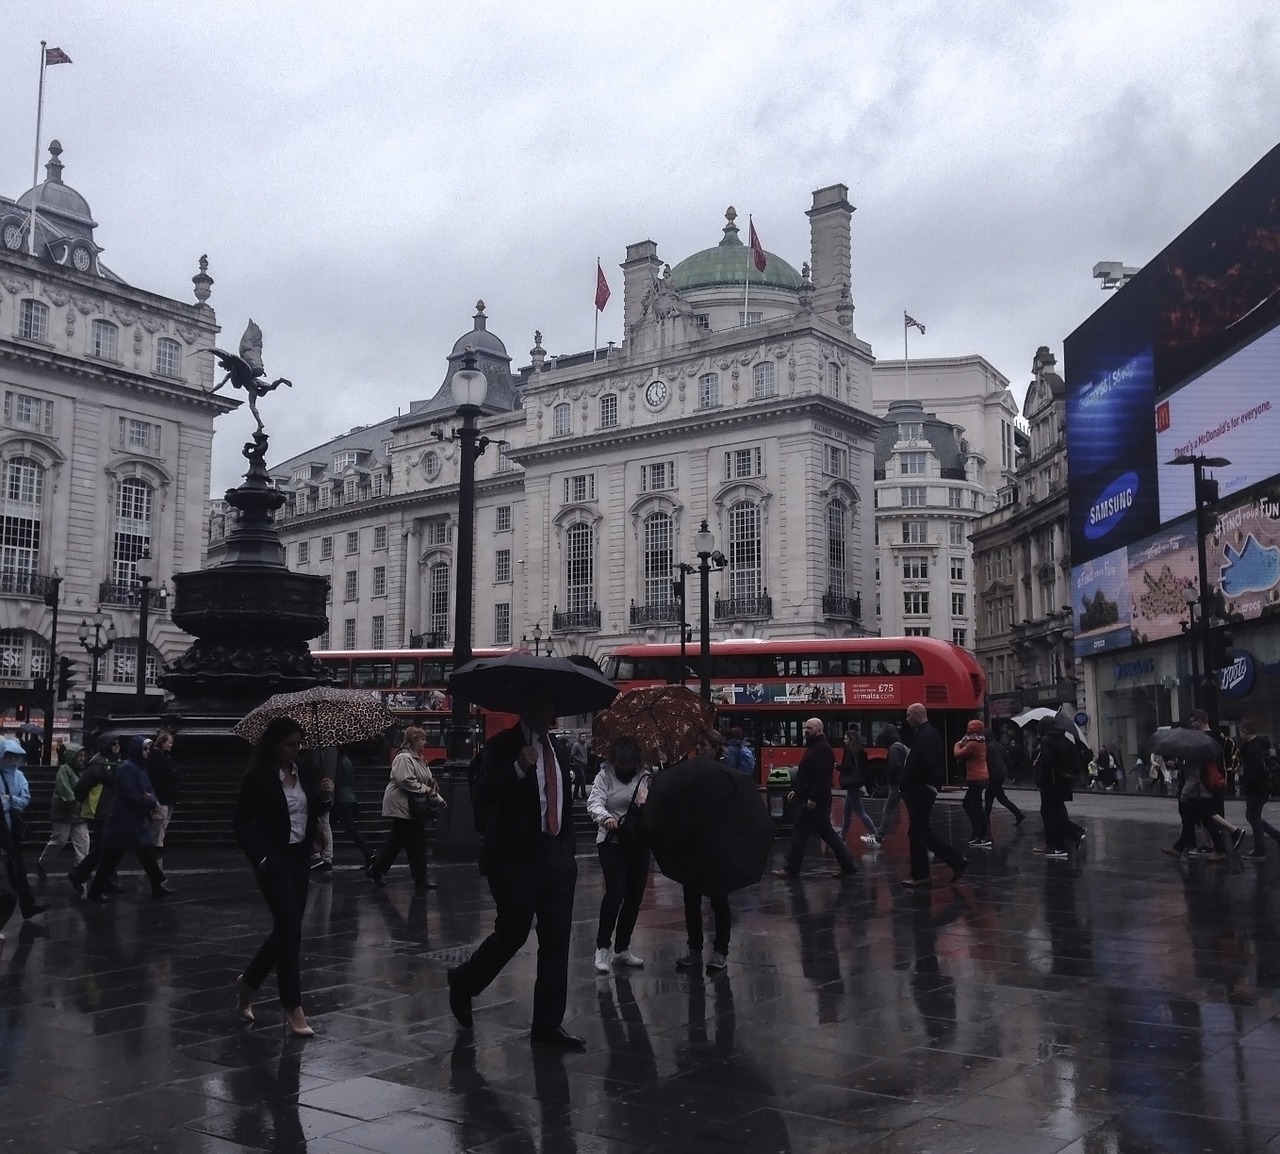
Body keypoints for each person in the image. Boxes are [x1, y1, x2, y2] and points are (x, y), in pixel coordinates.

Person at [446, 689, 583, 1048]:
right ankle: (464, 980)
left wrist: (567, 850)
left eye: (551, 703)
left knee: (556, 942)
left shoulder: (559, 749)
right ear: (527, 708)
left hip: (555, 856)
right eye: (541, 703)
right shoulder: (502, 746)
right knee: (512, 933)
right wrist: (519, 768)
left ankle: (548, 1026)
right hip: (515, 858)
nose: (548, 709)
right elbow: (484, 794)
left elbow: (563, 803)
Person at [233, 717, 330, 1036]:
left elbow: (309, 810)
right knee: (290, 928)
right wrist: (259, 857)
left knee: (287, 928)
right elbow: (241, 823)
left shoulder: (305, 773)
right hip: (273, 861)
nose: (296, 749)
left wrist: (324, 797)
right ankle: (292, 1007)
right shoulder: (258, 777)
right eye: (290, 744)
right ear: (274, 745)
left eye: (299, 743)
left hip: (299, 858)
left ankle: (248, 982)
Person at [587, 735, 651, 973]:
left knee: (634, 896)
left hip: (638, 842)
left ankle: (622, 947)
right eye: (622, 764)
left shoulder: (644, 777)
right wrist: (606, 818)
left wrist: (647, 802)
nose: (626, 768)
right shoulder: (604, 777)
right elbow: (594, 803)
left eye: (630, 764)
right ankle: (602, 947)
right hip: (612, 841)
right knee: (616, 892)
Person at [85, 736, 172, 902]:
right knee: (112, 858)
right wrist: (148, 800)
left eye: (148, 749)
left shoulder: (139, 768)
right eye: (144, 749)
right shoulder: (128, 768)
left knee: (145, 855)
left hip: (133, 821)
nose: (147, 752)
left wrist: (150, 799)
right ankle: (95, 890)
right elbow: (131, 793)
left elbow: (148, 791)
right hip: (124, 822)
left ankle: (157, 886)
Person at [774, 718, 859, 879]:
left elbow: (822, 777)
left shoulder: (821, 749)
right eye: (806, 727)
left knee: (802, 832)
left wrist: (813, 798)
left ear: (819, 730)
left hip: (814, 801)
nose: (806, 730)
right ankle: (848, 865)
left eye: (810, 728)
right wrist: (797, 791)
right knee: (825, 833)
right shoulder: (816, 747)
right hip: (810, 798)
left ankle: (791, 868)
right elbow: (808, 774)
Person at [678, 727, 733, 974]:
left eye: (704, 745)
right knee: (691, 901)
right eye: (697, 744)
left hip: (717, 845)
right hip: (692, 844)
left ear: (716, 749)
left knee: (719, 900)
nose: (699, 748)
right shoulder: (688, 773)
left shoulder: (726, 775)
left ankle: (720, 949)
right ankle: (694, 948)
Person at [367, 727, 443, 890]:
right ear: (413, 741)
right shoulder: (404, 758)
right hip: (402, 805)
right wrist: (426, 790)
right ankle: (419, 879)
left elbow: (428, 781)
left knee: (398, 841)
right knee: (417, 840)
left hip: (411, 806)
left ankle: (377, 870)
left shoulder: (418, 759)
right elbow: (405, 780)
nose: (425, 742)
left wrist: (436, 795)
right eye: (422, 739)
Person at [899, 703, 966, 886]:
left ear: (919, 715)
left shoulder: (926, 734)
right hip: (920, 788)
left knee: (917, 832)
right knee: (922, 831)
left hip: (921, 789)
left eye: (909, 716)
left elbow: (925, 762)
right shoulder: (925, 733)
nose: (907, 720)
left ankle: (921, 875)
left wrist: (913, 781)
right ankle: (956, 860)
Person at [68, 735, 123, 896]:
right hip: (98, 812)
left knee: (104, 849)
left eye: (118, 743)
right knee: (105, 848)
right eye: (113, 743)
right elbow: (80, 788)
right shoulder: (97, 766)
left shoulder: (114, 763)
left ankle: (79, 876)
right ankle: (99, 881)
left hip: (110, 811)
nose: (117, 746)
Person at [0, 739, 47, 918]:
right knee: (12, 869)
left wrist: (10, 800)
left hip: (12, 830)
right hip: (2, 829)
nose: (11, 759)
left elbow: (24, 798)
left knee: (18, 869)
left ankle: (27, 905)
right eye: (8, 755)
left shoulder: (19, 776)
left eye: (15, 756)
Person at [36, 743, 90, 878]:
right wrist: (73, 800)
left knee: (83, 841)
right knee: (59, 840)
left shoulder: (83, 771)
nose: (82, 759)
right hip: (63, 812)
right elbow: (64, 788)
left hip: (79, 813)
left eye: (83, 756)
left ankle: (80, 871)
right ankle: (43, 863)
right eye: (79, 756)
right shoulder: (64, 770)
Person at [1034, 716, 1082, 859]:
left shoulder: (1047, 740)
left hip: (1051, 783)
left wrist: (1040, 776)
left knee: (1052, 814)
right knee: (1052, 812)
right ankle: (1056, 842)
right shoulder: (1063, 738)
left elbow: (1047, 762)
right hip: (1062, 782)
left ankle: (1061, 846)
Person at [1239, 721, 1280, 859]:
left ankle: (1260, 849)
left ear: (1245, 732)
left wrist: (1246, 782)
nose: (1240, 735)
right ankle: (1276, 836)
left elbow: (1257, 769)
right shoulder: (1262, 744)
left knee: (1253, 817)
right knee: (1252, 816)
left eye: (1241, 732)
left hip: (1256, 787)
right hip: (1264, 787)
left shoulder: (1252, 749)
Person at [330, 749, 374, 867]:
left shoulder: (340, 762)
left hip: (341, 799)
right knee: (329, 826)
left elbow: (337, 780)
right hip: (347, 797)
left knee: (350, 829)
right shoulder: (346, 761)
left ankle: (369, 854)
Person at [954, 720, 991, 848]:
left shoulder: (972, 744)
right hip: (982, 777)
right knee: (975, 805)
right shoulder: (982, 741)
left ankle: (982, 835)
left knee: (970, 805)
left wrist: (957, 744)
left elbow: (957, 754)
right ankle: (979, 834)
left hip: (976, 778)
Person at [837, 729, 878, 846]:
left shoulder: (850, 752)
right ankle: (842, 836)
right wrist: (869, 788)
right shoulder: (860, 751)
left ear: (851, 740)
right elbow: (865, 771)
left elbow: (847, 767)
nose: (844, 740)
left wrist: (838, 767)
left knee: (860, 812)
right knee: (847, 812)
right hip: (855, 784)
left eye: (845, 738)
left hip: (852, 785)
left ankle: (874, 833)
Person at [983, 728, 1024, 832]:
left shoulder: (989, 747)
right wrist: (1011, 773)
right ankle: (985, 818)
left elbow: (990, 762)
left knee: (1000, 799)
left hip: (994, 775)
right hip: (1001, 774)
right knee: (989, 797)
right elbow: (1007, 760)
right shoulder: (999, 746)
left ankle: (1018, 814)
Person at [873, 725, 909, 843]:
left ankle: (878, 837)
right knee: (913, 811)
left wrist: (892, 780)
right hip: (904, 782)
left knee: (888, 809)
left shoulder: (893, 748)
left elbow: (894, 766)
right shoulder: (902, 746)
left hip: (897, 784)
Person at [147, 730, 179, 852]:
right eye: (169, 742)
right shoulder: (157, 756)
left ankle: (158, 843)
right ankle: (154, 843)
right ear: (162, 742)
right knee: (160, 818)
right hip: (162, 794)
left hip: (167, 793)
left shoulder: (164, 756)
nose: (171, 745)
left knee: (164, 820)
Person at [570, 732, 590, 802]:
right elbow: (572, 755)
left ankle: (575, 794)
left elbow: (585, 754)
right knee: (583, 779)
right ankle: (583, 794)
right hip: (578, 765)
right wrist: (580, 760)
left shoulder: (585, 745)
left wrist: (585, 761)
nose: (584, 738)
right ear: (579, 738)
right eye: (582, 736)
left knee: (578, 780)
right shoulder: (576, 745)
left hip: (583, 764)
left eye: (585, 736)